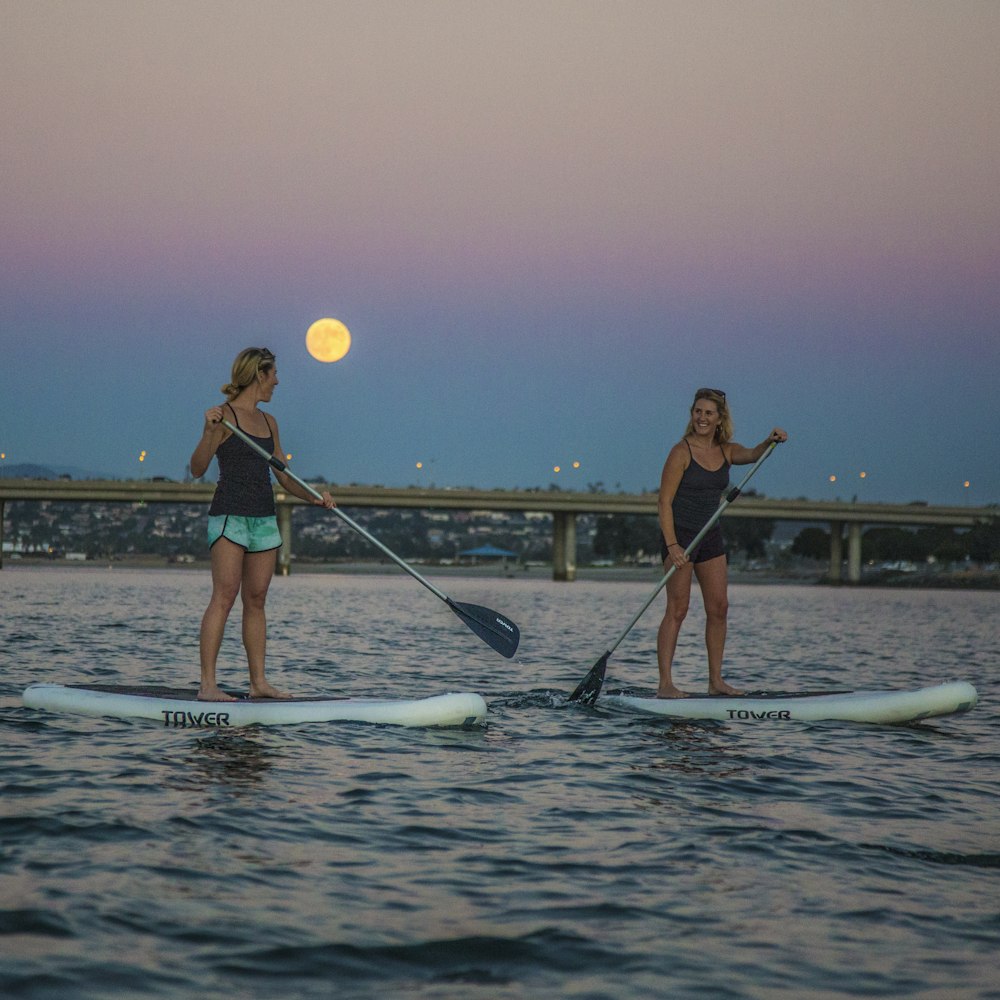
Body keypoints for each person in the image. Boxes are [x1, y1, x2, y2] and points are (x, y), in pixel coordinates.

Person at [190, 347, 335, 701]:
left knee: (256, 599)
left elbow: (284, 477)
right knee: (224, 596)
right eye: (273, 375)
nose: (277, 381)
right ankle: (208, 686)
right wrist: (209, 432)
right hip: (229, 517)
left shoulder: (270, 422)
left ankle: (258, 684)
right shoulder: (222, 417)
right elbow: (197, 469)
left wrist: (314, 497)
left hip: (263, 519)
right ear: (259, 374)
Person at [656, 388, 787, 698]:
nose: (702, 417)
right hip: (682, 535)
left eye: (708, 413)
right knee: (678, 609)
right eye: (698, 411)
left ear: (719, 419)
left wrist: (770, 441)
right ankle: (665, 685)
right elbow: (663, 503)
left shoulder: (727, 451)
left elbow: (753, 454)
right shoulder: (680, 452)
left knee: (719, 608)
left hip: (710, 534)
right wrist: (672, 545)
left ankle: (716, 681)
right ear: (692, 415)